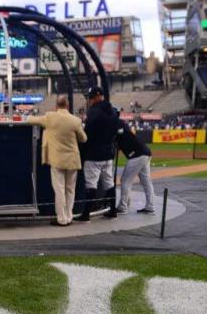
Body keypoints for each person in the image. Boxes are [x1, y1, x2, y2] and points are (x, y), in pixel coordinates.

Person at [26, 94, 87, 226]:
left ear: (56, 105)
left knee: (59, 190)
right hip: (72, 160)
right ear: (68, 105)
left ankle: (62, 218)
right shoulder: (75, 120)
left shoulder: (50, 117)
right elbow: (83, 139)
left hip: (57, 160)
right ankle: (69, 216)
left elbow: (30, 120)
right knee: (70, 190)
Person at [77, 86, 118, 221]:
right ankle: (113, 210)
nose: (89, 100)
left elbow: (87, 135)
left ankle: (86, 214)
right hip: (109, 153)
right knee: (109, 183)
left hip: (94, 154)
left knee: (91, 184)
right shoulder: (112, 110)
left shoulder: (94, 112)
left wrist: (83, 152)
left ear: (95, 97)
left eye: (90, 97)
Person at [116, 115, 156, 213]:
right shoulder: (120, 125)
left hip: (137, 155)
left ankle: (123, 206)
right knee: (146, 181)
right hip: (145, 152)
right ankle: (150, 206)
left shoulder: (118, 125)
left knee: (125, 180)